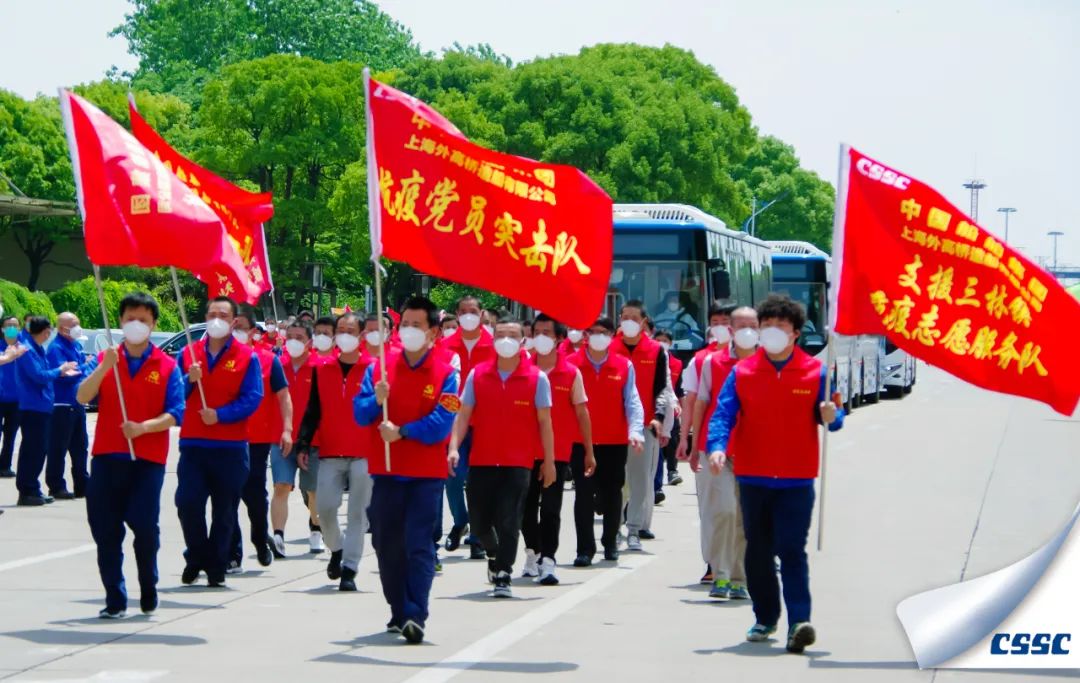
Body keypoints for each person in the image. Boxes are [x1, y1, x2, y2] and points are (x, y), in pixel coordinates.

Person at [706, 294, 844, 654]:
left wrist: (832, 416)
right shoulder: (744, 372)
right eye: (766, 326)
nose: (771, 332)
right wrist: (717, 446)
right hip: (753, 476)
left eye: (779, 326)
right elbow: (723, 414)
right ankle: (765, 617)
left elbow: (835, 417)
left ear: (795, 332)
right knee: (758, 551)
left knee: (791, 548)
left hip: (797, 479)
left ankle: (799, 621)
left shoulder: (816, 373)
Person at [355, 296, 458, 644]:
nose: (410, 331)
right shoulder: (379, 369)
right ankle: (399, 609)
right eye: (406, 325)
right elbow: (360, 413)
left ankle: (416, 612)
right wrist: (376, 400)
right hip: (386, 473)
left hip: (426, 476)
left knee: (418, 543)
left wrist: (402, 432)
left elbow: (441, 424)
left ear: (433, 332)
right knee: (386, 545)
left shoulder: (447, 374)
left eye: (418, 325)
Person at [76, 292, 185, 618]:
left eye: (143, 319)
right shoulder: (106, 359)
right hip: (107, 456)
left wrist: (143, 428)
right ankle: (115, 597)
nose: (136, 324)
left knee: (145, 526)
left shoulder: (166, 366)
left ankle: (148, 584)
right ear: (121, 322)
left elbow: (175, 412)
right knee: (105, 529)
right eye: (130, 319)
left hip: (147, 461)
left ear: (153, 324)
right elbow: (82, 396)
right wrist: (104, 368)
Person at [449, 317, 555, 598]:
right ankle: (494, 554)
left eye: (512, 335)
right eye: (500, 335)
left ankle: (504, 573)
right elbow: (463, 414)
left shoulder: (537, 378)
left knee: (510, 520)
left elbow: (545, 422)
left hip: (518, 462)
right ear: (493, 340)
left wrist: (549, 461)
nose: (506, 340)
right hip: (482, 460)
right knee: (480, 522)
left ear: (523, 342)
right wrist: (453, 447)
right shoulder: (478, 375)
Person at [176, 296, 263, 588]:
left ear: (233, 321)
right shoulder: (189, 353)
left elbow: (253, 397)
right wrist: (189, 379)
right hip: (194, 444)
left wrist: (221, 415)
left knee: (224, 511)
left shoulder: (246, 356)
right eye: (212, 313)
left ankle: (217, 565)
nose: (216, 319)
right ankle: (196, 555)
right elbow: (173, 394)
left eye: (223, 315)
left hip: (230, 446)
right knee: (187, 503)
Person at [295, 313, 374, 591]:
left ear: (361, 335)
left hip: (365, 451)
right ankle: (337, 549)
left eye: (350, 330)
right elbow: (313, 409)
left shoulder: (374, 368)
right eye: (340, 330)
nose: (344, 335)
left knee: (357, 514)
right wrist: (303, 443)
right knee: (325, 509)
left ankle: (350, 568)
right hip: (330, 450)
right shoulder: (322, 368)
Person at [688, 306, 758, 601]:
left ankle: (740, 578)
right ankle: (720, 574)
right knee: (725, 510)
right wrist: (694, 445)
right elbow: (701, 402)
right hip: (718, 451)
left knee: (744, 516)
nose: (746, 331)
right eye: (740, 326)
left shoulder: (768, 364)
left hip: (754, 452)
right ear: (730, 330)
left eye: (752, 326)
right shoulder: (713, 362)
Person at [522, 314, 592, 586]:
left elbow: (582, 412)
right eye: (536, 332)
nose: (540, 337)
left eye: (547, 333)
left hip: (558, 452)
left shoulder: (571, 373)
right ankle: (533, 551)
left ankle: (549, 560)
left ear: (559, 338)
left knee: (551, 508)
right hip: (524, 451)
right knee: (525, 509)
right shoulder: (522, 368)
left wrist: (589, 451)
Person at [568, 317, 644, 565]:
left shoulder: (623, 365)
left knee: (613, 493)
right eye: (593, 332)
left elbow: (632, 401)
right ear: (586, 335)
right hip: (581, 442)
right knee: (583, 494)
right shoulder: (572, 364)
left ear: (612, 335)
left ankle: (610, 541)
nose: (598, 336)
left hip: (614, 441)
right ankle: (584, 549)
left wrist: (635, 431)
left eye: (604, 332)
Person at [229, 311, 292, 570]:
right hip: (225, 438)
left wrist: (287, 428)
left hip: (256, 439)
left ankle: (259, 538)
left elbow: (284, 396)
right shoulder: (215, 359)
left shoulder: (267, 360)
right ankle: (232, 553)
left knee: (253, 495)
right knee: (228, 495)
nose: (233, 331)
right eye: (231, 325)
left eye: (240, 327)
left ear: (253, 331)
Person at [611, 301, 672, 550]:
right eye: (624, 317)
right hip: (612, 426)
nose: (628, 321)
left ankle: (634, 529)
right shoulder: (610, 347)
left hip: (644, 425)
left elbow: (662, 388)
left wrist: (659, 416)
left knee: (640, 480)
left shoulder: (656, 351)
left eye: (634, 318)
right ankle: (613, 528)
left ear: (644, 321)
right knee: (615, 480)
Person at [439, 295, 495, 558]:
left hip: (485, 423)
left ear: (481, 314)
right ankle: (461, 520)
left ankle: (477, 536)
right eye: (463, 311)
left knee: (478, 482)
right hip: (455, 423)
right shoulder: (445, 346)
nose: (468, 315)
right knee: (453, 476)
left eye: (473, 310)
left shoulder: (495, 345)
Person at [271, 321, 326, 556]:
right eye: (290, 336)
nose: (293, 341)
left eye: (299, 337)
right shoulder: (277, 365)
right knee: (281, 486)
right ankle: (278, 537)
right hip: (282, 438)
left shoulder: (320, 368)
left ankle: (316, 529)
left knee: (312, 491)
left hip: (313, 440)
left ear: (309, 342)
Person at [14, 317, 79, 505]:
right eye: (48, 331)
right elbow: (39, 376)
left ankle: (33, 487)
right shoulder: (27, 350)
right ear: (45, 331)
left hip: (41, 406)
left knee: (39, 450)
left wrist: (59, 370)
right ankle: (27, 490)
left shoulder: (36, 348)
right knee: (32, 450)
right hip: (32, 407)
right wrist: (60, 370)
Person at [45, 312, 92, 499]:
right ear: (62, 328)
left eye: (77, 323)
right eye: (73, 325)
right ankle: (56, 486)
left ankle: (82, 485)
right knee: (58, 448)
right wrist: (86, 366)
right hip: (62, 405)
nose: (77, 328)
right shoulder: (55, 348)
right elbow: (65, 375)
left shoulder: (76, 345)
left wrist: (82, 367)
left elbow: (78, 370)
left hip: (77, 403)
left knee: (80, 447)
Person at [653, 329, 684, 494]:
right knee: (655, 445)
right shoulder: (651, 358)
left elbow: (676, 388)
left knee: (672, 439)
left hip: (671, 406)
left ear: (671, 343)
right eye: (658, 340)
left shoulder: (677, 363)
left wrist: (680, 406)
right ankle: (656, 485)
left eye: (664, 341)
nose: (661, 343)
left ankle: (672, 471)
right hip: (654, 408)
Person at [0, 316, 26, 478]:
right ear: (2, 328)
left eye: (15, 325)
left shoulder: (23, 348)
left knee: (11, 435)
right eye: (8, 325)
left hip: (16, 399)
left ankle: (5, 466)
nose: (12, 328)